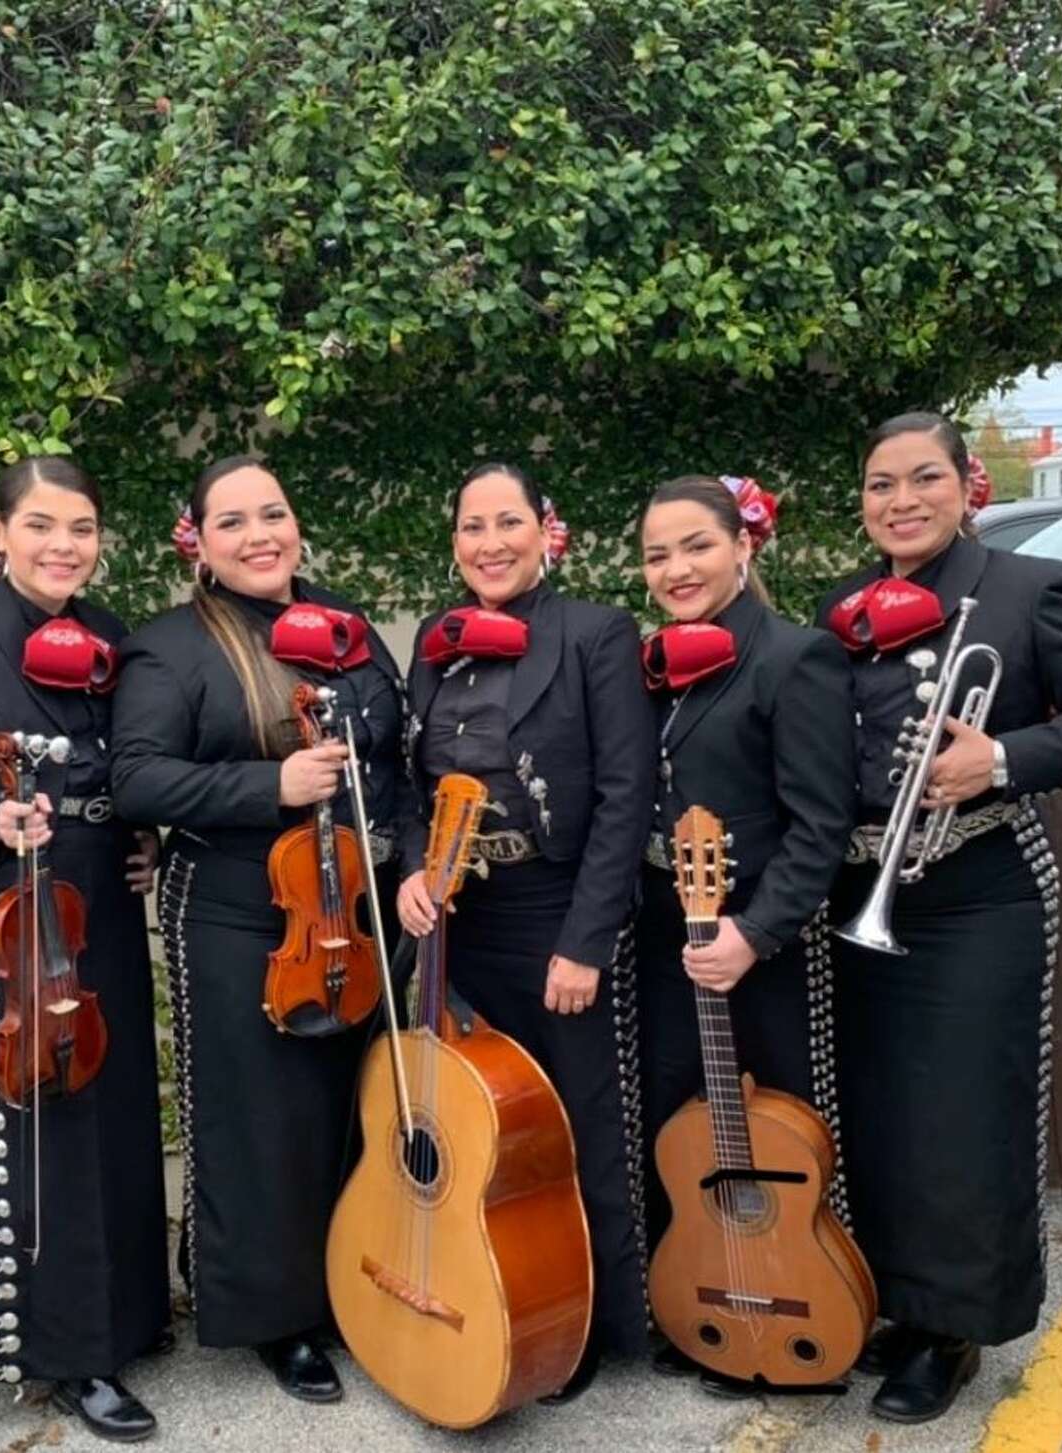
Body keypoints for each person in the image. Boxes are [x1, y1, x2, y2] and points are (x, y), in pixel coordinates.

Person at [818, 412, 1062, 1423]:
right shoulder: (840, 607)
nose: (901, 500)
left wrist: (1003, 758)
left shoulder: (1028, 589)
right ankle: (897, 1298)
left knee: (962, 1118)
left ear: (967, 483)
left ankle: (955, 1331)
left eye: (922, 478)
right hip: (857, 895)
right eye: (880, 484)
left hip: (976, 888)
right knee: (879, 1109)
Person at [109, 456, 405, 1404]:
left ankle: (354, 1283)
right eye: (231, 522)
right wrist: (266, 785)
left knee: (345, 1107)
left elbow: (392, 747)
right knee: (260, 1119)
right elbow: (138, 779)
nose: (259, 535)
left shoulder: (351, 631)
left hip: (349, 909)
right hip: (240, 913)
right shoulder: (171, 646)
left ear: (298, 521)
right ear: (198, 540)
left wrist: (387, 837)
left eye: (272, 513)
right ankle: (275, 1316)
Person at [0, 457, 170, 1442]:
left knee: (118, 1112)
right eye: (45, 526)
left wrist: (143, 836)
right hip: (9, 920)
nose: (65, 545)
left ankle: (130, 1321)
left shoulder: (109, 638)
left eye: (83, 527)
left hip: (100, 904)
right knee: (42, 1137)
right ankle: (68, 1356)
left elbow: (130, 770)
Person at [396, 462, 656, 1400]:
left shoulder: (594, 631)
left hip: (554, 910)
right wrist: (409, 876)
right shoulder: (435, 641)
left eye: (509, 522)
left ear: (549, 529)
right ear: (454, 540)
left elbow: (628, 793)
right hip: (464, 916)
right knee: (480, 1129)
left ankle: (588, 1321)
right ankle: (500, 1295)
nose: (490, 543)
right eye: (472, 526)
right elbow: (403, 785)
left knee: (579, 1123)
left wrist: (587, 940)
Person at [635, 474, 857, 1392]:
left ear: (744, 545)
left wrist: (756, 932)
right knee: (679, 1127)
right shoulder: (658, 661)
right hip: (664, 932)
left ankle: (807, 1296)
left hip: (762, 942)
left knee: (789, 1139)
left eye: (697, 545)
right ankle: (710, 1304)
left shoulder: (794, 657)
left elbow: (821, 825)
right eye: (657, 554)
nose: (677, 567)